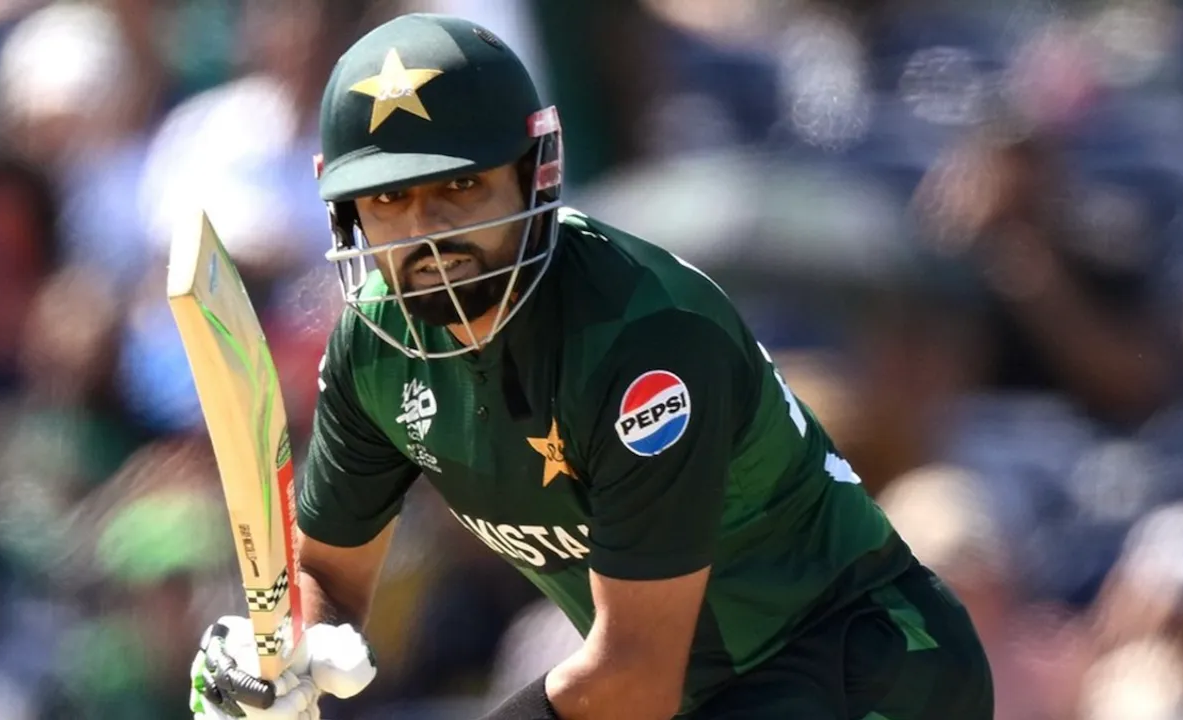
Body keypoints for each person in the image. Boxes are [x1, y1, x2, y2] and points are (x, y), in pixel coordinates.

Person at [188, 13, 993, 720]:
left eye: (460, 187)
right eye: (390, 201)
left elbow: (634, 679)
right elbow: (330, 574)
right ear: (343, 206)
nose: (426, 238)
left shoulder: (645, 339)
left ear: (534, 169)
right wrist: (281, 654)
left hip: (867, 670)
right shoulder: (373, 344)